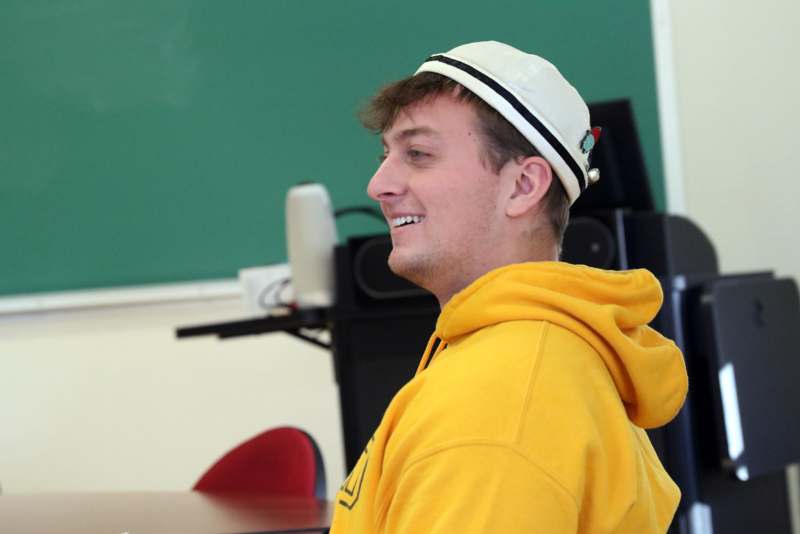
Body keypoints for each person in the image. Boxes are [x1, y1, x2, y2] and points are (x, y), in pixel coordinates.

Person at [329, 41, 688, 533]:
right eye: (387, 154)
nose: (379, 184)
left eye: (418, 153)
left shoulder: (501, 403)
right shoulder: (521, 352)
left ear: (523, 186)